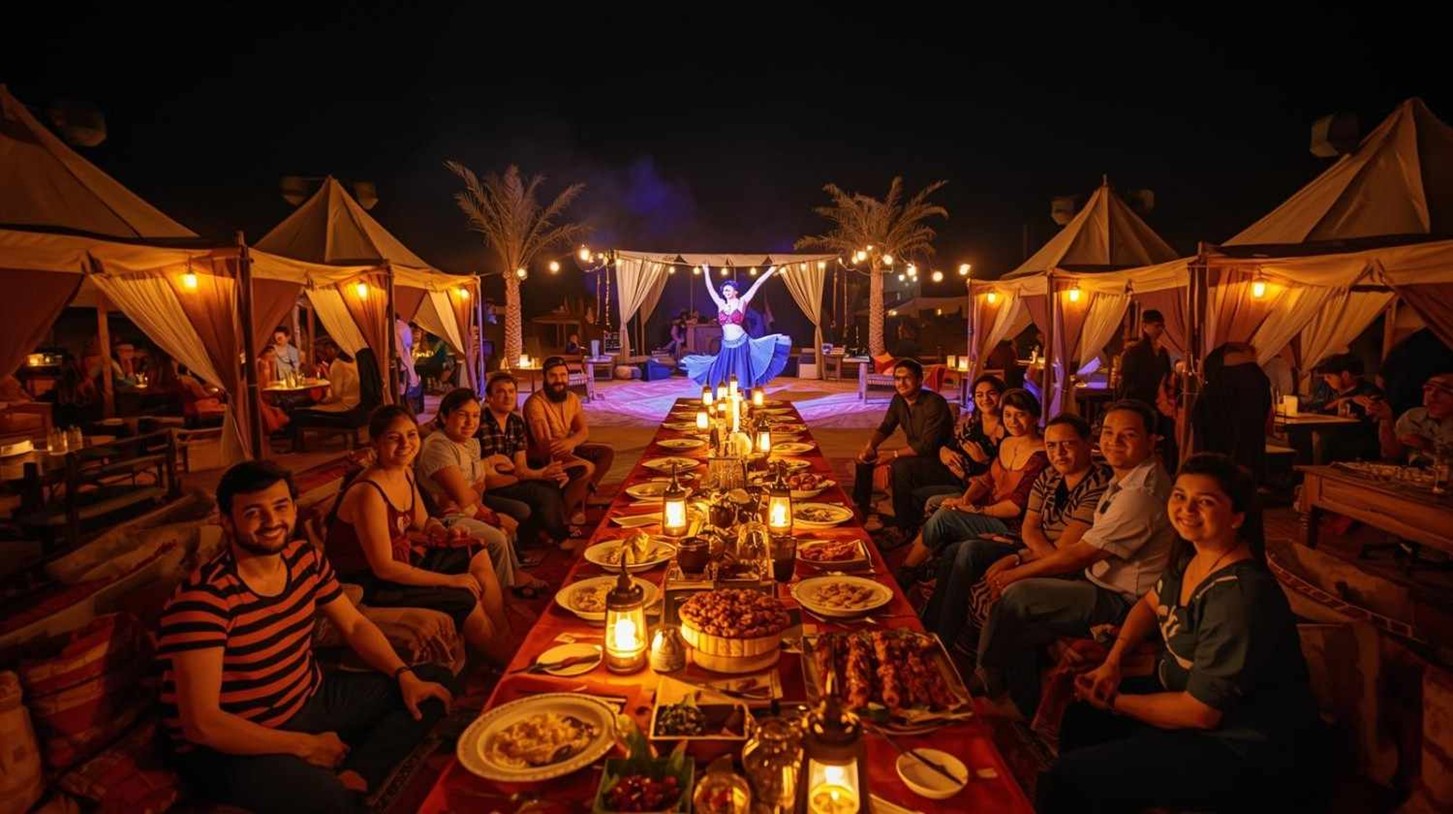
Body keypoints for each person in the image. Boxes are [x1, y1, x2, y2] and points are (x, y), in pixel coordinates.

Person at [156, 460, 455, 813]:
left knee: (431, 684)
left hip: (307, 696)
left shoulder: (305, 560)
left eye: (281, 507)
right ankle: (335, 781)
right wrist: (304, 745)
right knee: (332, 803)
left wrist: (404, 676)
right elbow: (202, 724)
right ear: (226, 519)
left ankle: (359, 773)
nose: (272, 521)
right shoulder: (204, 599)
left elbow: (355, 626)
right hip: (233, 740)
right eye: (253, 512)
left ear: (293, 509)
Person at [1037, 453, 1325, 813]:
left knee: (1069, 775)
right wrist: (1113, 661)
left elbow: (1200, 713)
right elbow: (1148, 604)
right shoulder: (1192, 558)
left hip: (1244, 744)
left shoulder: (1238, 595)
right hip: (1190, 700)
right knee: (1084, 717)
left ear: (1238, 516)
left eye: (1205, 501)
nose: (1186, 509)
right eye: (1179, 495)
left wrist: (1115, 700)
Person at [976, 399, 1175, 719]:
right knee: (1014, 607)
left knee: (1018, 594)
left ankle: (988, 679)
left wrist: (1017, 572)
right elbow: (1038, 530)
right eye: (1108, 433)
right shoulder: (1124, 478)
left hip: (1120, 599)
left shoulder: (1141, 492)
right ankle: (1017, 697)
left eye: (1128, 435)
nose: (1113, 442)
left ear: (1152, 441)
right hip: (1094, 579)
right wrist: (1019, 558)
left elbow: (1080, 553)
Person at [325, 406, 512, 664]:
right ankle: (502, 661)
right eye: (394, 438)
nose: (405, 444)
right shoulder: (368, 492)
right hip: (371, 582)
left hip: (402, 561)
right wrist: (451, 580)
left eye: (411, 435)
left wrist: (445, 532)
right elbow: (384, 568)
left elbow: (424, 521)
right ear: (376, 443)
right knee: (463, 596)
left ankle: (503, 637)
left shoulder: (405, 472)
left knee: (475, 550)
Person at [921, 413, 1112, 653]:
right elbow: (1030, 526)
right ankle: (936, 630)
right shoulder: (1050, 475)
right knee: (955, 550)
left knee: (969, 550)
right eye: (1052, 446)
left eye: (1068, 444)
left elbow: (1067, 548)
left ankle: (949, 643)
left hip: (1064, 562)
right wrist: (1022, 553)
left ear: (1088, 443)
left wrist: (1019, 558)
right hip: (1033, 546)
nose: (1059, 453)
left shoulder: (1099, 484)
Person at [894, 388, 1047, 586]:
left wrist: (976, 509)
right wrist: (964, 500)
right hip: (990, 508)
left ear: (1035, 417)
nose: (1013, 421)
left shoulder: (1042, 455)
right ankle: (927, 565)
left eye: (1020, 415)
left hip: (1013, 524)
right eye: (1008, 415)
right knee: (946, 505)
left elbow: (1016, 507)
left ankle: (907, 571)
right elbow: (986, 479)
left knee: (945, 517)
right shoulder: (1008, 442)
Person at [415, 388, 548, 599]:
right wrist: (486, 511)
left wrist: (486, 511)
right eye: (462, 415)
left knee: (507, 525)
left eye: (475, 415)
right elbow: (465, 496)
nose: (470, 421)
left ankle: (513, 576)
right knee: (496, 536)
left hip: (464, 510)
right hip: (444, 519)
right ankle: (504, 594)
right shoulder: (438, 446)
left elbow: (477, 490)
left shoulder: (470, 443)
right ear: (443, 416)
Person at [855, 358, 958, 545]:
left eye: (906, 378)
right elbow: (887, 426)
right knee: (865, 460)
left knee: (900, 466)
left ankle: (904, 527)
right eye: (897, 378)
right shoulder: (899, 400)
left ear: (920, 380)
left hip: (940, 462)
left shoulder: (934, 403)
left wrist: (893, 455)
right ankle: (859, 512)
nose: (901, 383)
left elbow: (927, 446)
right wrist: (871, 446)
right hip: (916, 457)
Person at [477, 372, 573, 549]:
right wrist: (537, 474)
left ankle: (545, 533)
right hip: (487, 485)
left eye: (512, 391)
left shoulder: (515, 422)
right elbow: (487, 476)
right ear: (489, 397)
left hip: (510, 478)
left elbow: (520, 466)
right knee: (542, 493)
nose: (508, 396)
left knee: (554, 482)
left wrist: (544, 473)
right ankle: (561, 538)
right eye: (501, 392)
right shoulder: (479, 422)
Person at [522, 356, 616, 526]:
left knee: (606, 452)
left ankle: (584, 497)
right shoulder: (534, 404)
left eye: (563, 375)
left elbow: (583, 431)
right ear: (545, 377)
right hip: (545, 458)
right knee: (587, 467)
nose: (559, 380)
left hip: (567, 447)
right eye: (553, 376)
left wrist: (571, 442)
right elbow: (546, 445)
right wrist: (570, 443)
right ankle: (562, 516)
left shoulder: (572, 398)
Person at [681, 270, 792, 388]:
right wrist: (706, 271)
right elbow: (710, 289)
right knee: (723, 372)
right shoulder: (721, 304)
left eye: (728, 289)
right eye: (724, 290)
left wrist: (771, 269)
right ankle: (723, 395)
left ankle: (743, 395)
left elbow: (758, 283)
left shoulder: (742, 301)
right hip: (726, 344)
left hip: (741, 342)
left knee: (741, 371)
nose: (725, 292)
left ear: (736, 291)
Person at [1191, 342, 1272, 479]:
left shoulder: (1216, 383)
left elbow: (1202, 426)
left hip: (1214, 466)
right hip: (1248, 463)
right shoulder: (1259, 379)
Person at [1311, 353, 1383, 460]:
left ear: (1345, 375)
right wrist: (1339, 402)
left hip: (1356, 450)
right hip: (1329, 445)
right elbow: (1314, 409)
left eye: (1329, 376)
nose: (1326, 379)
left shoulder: (1369, 393)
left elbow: (1369, 423)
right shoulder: (1327, 389)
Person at [1371, 371, 1453, 463]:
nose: (1432, 395)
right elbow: (1392, 454)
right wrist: (1385, 419)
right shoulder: (1412, 416)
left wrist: (1429, 447)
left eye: (1444, 391)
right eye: (1428, 389)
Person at [943, 374, 1007, 481]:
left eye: (991, 393)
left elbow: (1008, 473)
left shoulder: (1010, 426)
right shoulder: (971, 424)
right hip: (959, 480)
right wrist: (944, 452)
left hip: (986, 487)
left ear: (1001, 395)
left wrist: (984, 461)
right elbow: (948, 447)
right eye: (979, 395)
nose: (985, 398)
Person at [298, 340, 361, 415]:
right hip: (357, 404)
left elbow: (336, 395)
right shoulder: (354, 360)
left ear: (330, 349)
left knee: (303, 412)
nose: (319, 355)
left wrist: (322, 401)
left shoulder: (337, 364)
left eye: (320, 352)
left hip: (345, 406)